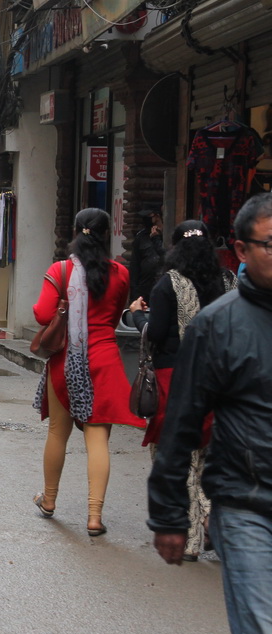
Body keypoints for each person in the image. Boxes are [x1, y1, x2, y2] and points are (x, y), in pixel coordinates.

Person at [148, 193, 272, 634]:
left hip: (171, 368)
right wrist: (169, 515)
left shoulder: (168, 285)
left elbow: (155, 333)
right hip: (247, 505)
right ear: (239, 251)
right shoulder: (219, 320)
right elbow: (181, 423)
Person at [32, 208, 145, 536]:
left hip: (68, 359)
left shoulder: (62, 270)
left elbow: (41, 315)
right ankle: (94, 516)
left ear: (75, 232)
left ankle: (49, 500)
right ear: (107, 234)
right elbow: (113, 315)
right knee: (98, 439)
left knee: (57, 433)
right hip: (106, 359)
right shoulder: (120, 273)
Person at [130, 220, 236, 560]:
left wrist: (136, 317)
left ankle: (190, 539)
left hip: (176, 379)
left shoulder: (168, 285)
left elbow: (157, 332)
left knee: (179, 457)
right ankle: (212, 520)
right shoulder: (229, 282)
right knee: (210, 457)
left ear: (175, 247)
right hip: (221, 382)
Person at [129, 208, 165, 302]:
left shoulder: (167, 234)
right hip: (144, 287)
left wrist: (156, 238)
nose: (145, 219)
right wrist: (134, 292)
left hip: (162, 286)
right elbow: (135, 265)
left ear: (157, 216)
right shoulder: (141, 236)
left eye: (149, 216)